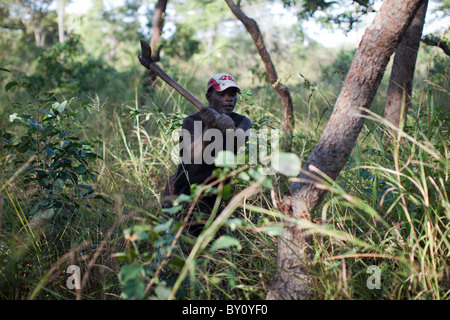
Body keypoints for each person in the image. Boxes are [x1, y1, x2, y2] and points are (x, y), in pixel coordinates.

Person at [162, 73, 251, 234]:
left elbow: (238, 141)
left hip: (213, 199)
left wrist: (229, 129)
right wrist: (210, 128)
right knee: (172, 250)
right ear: (209, 96)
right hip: (183, 195)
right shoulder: (191, 121)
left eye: (232, 94)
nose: (228, 98)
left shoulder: (241, 122)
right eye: (221, 94)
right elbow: (190, 159)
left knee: (219, 253)